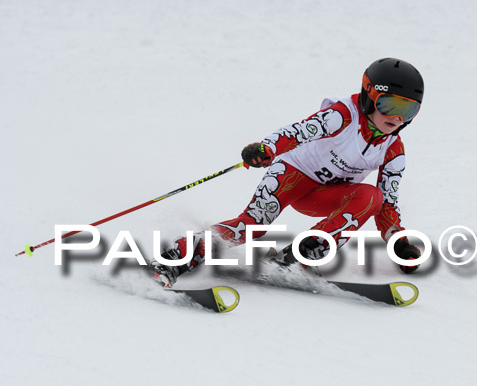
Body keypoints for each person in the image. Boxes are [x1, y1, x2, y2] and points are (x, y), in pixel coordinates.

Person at [150, 58, 425, 287]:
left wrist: (400, 246)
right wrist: (266, 149)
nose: (397, 119)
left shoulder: (393, 149)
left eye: (408, 110)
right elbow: (298, 132)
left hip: (327, 194)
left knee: (372, 197)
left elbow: (387, 203)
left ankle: (297, 256)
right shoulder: (341, 115)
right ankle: (177, 257)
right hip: (292, 176)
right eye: (389, 105)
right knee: (253, 224)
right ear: (368, 95)